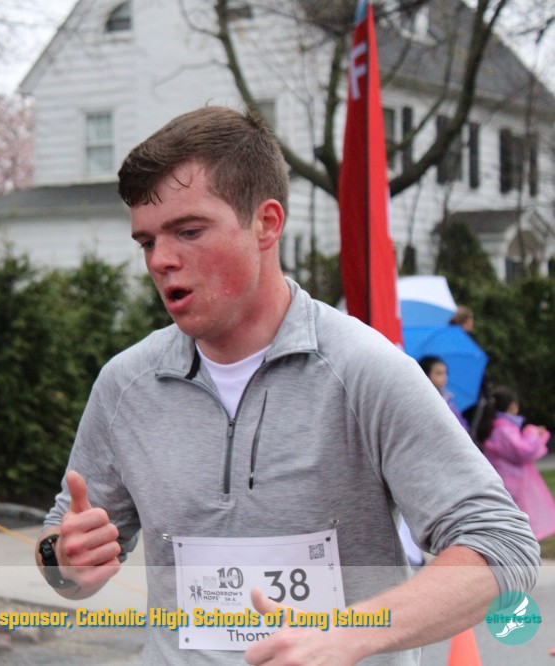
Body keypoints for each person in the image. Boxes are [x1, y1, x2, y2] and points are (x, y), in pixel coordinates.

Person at [35, 106, 539, 665]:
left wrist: (351, 634)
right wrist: (64, 561)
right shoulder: (126, 385)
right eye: (147, 241)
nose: (162, 260)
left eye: (189, 231)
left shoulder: (363, 370)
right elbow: (62, 549)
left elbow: (503, 546)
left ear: (267, 224)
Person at [479, 386, 555, 541]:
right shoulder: (503, 429)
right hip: (512, 483)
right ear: (513, 406)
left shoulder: (495, 427)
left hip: (502, 481)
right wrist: (532, 433)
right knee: (519, 521)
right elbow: (522, 451)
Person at [418, 355, 470, 434]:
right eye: (439, 373)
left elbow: (461, 425)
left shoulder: (447, 400)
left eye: (445, 373)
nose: (444, 377)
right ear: (426, 374)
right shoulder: (420, 399)